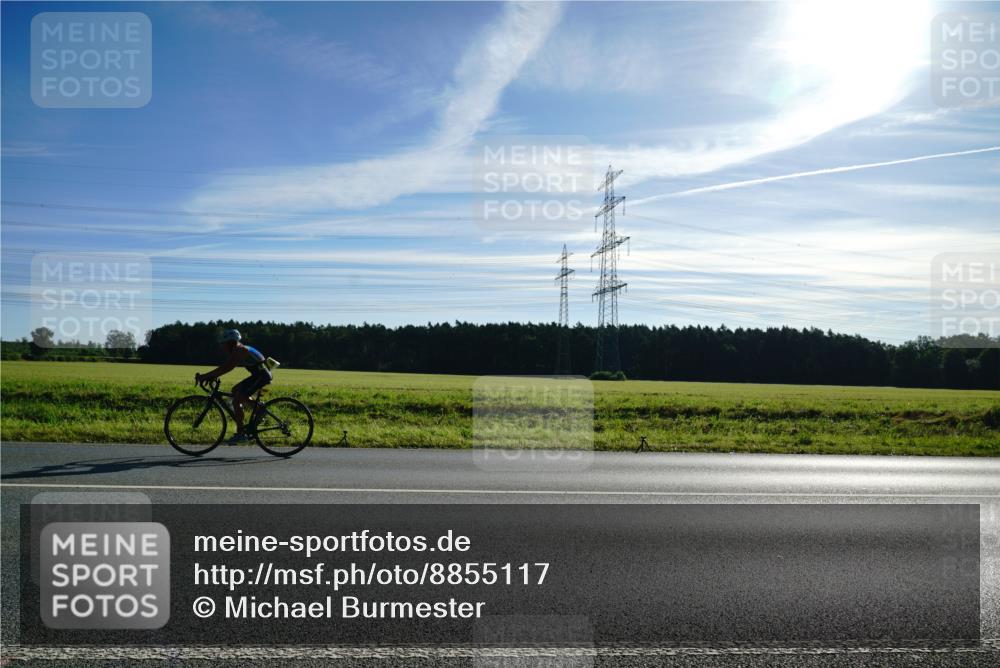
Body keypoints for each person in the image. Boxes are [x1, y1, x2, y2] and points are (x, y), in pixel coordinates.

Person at [195, 329, 272, 444]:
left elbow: (227, 367)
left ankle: (241, 434)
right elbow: (226, 367)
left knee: (237, 400)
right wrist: (212, 376)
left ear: (230, 342)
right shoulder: (239, 349)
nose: (222, 347)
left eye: (224, 344)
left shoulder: (240, 350)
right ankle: (259, 410)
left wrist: (205, 376)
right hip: (258, 375)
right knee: (235, 391)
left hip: (261, 376)